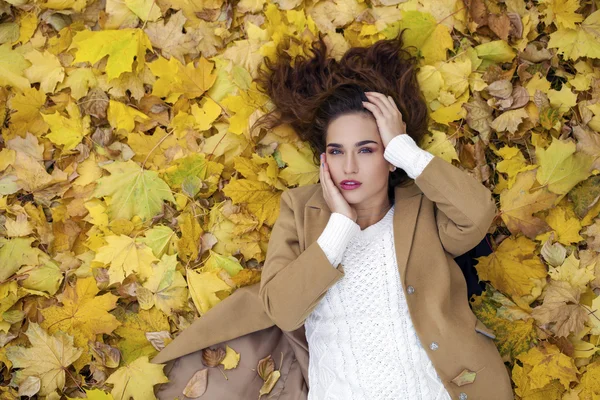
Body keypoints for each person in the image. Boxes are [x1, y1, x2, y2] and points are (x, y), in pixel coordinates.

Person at [152, 31, 514, 400]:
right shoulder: (301, 210)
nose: (350, 166)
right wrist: (340, 228)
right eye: (337, 151)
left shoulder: (421, 205)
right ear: (324, 158)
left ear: (390, 158)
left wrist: (405, 148)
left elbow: (477, 215)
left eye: (368, 149)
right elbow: (284, 310)